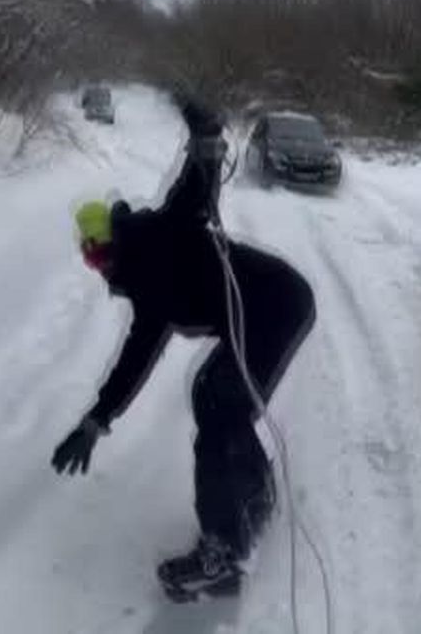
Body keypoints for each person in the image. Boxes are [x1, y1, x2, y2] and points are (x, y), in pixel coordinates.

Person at [50, 96, 316, 600]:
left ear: (109, 243)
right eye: (91, 262)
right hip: (260, 313)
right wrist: (96, 420)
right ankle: (255, 496)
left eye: (98, 255)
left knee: (220, 409)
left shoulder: (160, 237)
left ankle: (224, 553)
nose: (100, 269)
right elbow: (136, 359)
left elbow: (194, 190)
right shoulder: (145, 288)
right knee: (212, 396)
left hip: (278, 307)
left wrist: (206, 135)